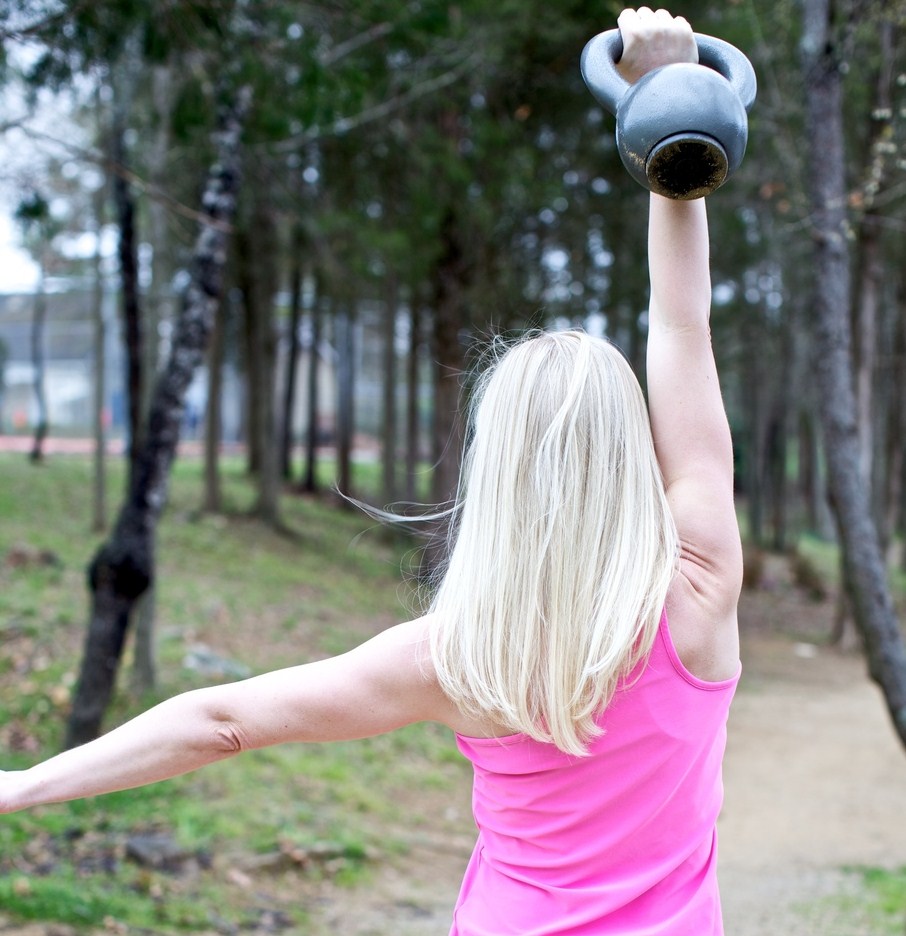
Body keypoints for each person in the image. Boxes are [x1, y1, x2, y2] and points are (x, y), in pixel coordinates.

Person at [0, 9, 743, 935]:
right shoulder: (699, 589)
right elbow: (681, 327)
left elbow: (221, 719)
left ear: (496, 470)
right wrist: (672, 132)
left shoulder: (462, 656)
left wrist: (22, 784)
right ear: (635, 455)